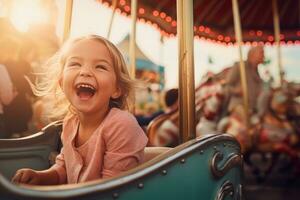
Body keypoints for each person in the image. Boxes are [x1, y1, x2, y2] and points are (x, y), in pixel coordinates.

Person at [11, 35, 148, 185]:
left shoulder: (121, 125)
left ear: (117, 89)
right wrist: (40, 176)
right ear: (62, 82)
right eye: (75, 64)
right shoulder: (70, 122)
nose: (85, 72)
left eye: (100, 67)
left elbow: (113, 190)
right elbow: (64, 168)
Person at [226, 45, 265, 114]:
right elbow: (226, 86)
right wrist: (236, 91)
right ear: (252, 54)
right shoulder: (240, 66)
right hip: (239, 105)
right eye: (261, 53)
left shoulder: (256, 72)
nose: (263, 56)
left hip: (253, 107)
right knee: (247, 121)